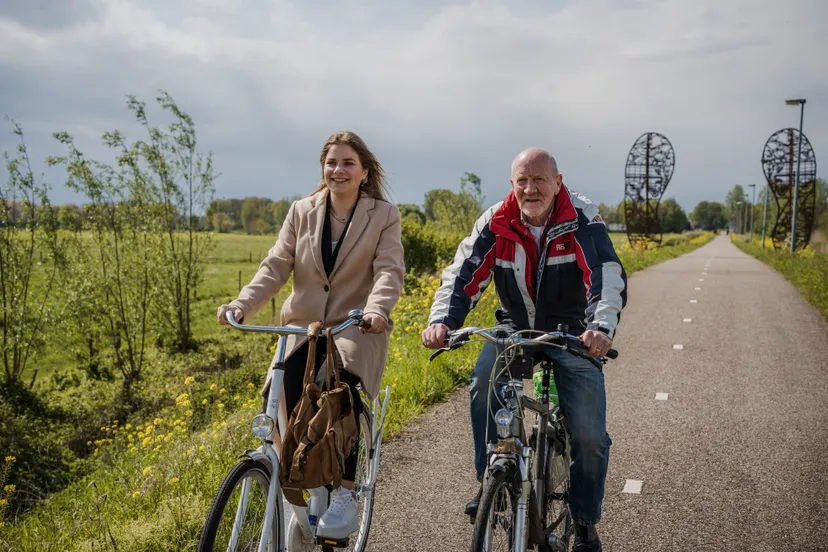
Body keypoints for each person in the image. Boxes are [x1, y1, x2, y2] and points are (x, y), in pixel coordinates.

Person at [422, 148, 627, 552]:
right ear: (512, 184)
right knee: (484, 385)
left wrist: (600, 328)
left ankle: (585, 522)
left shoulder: (581, 217)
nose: (530, 189)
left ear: (558, 182)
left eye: (539, 180)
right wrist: (442, 321)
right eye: (522, 181)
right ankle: (491, 484)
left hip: (573, 334)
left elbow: (603, 276)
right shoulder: (497, 220)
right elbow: (463, 273)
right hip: (513, 328)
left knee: (588, 435)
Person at [217, 131, 405, 540]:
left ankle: (347, 492)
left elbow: (389, 270)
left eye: (347, 163)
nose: (338, 170)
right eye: (331, 163)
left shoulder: (383, 214)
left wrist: (376, 310)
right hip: (301, 328)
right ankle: (297, 486)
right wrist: (242, 305)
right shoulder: (302, 210)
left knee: (345, 391)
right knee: (280, 395)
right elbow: (275, 265)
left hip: (354, 325)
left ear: (364, 172)